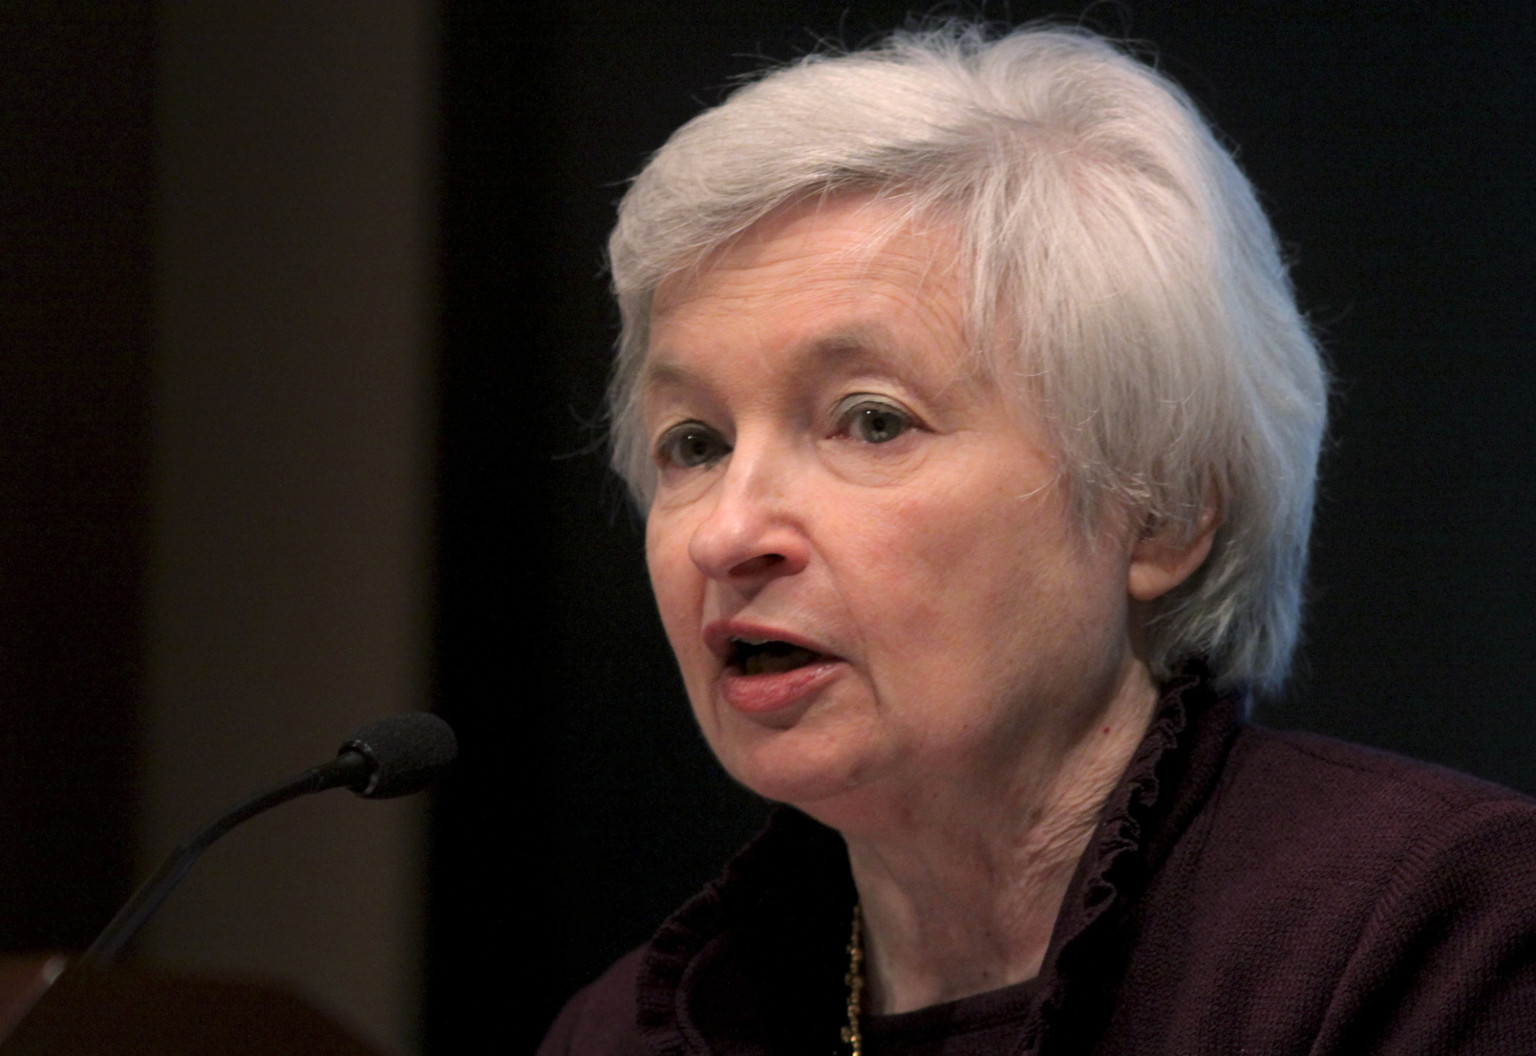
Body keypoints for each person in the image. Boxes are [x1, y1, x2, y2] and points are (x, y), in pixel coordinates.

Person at [539, 22, 1536, 1055]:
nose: (729, 533)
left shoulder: (1432, 940)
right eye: (694, 444)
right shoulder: (628, 1034)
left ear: (1160, 510)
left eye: (872, 420)